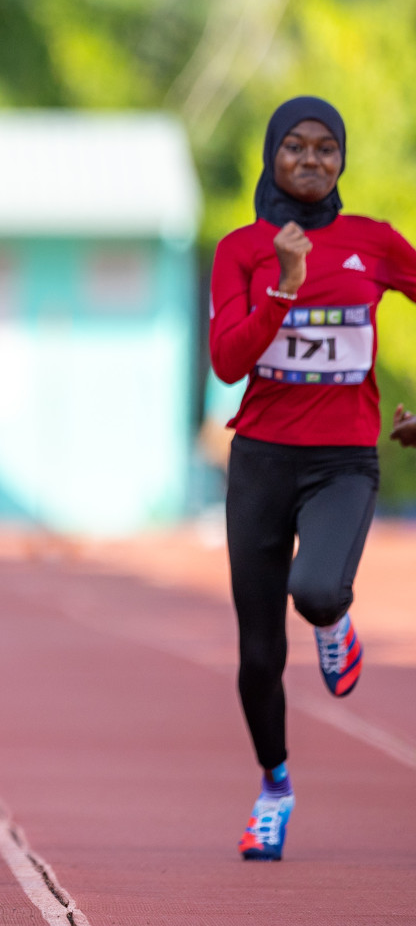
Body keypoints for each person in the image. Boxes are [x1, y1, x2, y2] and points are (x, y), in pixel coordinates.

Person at [210, 96, 416, 861]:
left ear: (342, 160)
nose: (310, 160)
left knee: (319, 590)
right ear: (271, 156)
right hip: (261, 459)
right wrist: (285, 284)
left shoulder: (375, 244)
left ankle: (335, 626)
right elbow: (228, 360)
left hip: (343, 460)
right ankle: (274, 788)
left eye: (325, 148)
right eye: (294, 146)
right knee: (258, 657)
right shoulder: (242, 249)